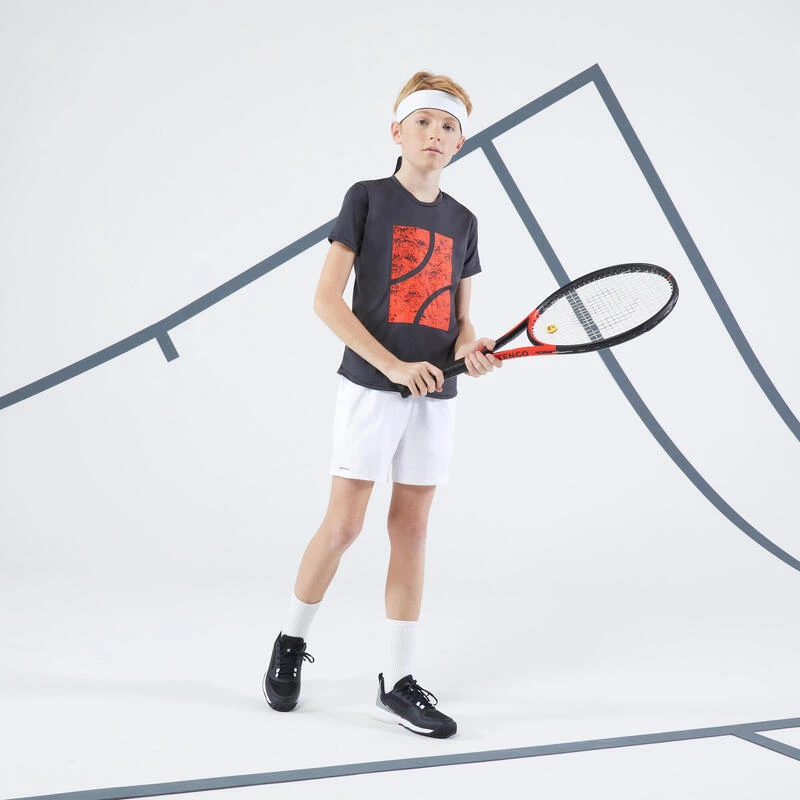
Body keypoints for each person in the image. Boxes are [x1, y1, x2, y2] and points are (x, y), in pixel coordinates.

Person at [262, 71, 501, 739]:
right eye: (423, 121)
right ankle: (289, 641)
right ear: (397, 131)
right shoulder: (366, 198)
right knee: (344, 526)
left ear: (460, 142)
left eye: (449, 126)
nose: (436, 134)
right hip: (372, 386)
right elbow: (325, 300)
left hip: (436, 392)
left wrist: (472, 348)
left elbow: (461, 320)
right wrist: (393, 365)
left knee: (413, 529)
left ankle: (396, 683)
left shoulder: (463, 221)